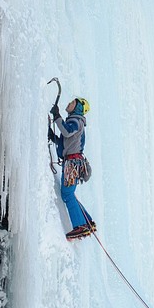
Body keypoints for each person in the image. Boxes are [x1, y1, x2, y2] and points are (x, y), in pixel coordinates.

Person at [48, 97, 95, 240]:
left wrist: (57, 116)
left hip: (72, 164)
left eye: (73, 103)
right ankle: (87, 221)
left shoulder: (76, 121)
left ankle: (80, 226)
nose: (69, 103)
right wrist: (53, 136)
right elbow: (65, 142)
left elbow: (67, 132)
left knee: (67, 194)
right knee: (70, 193)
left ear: (78, 108)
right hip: (74, 162)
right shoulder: (76, 122)